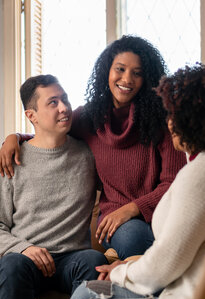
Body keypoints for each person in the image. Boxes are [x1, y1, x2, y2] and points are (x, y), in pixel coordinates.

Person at [55, 64, 205, 299]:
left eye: (173, 113)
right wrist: (132, 263)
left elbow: (166, 264)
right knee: (86, 291)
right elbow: (196, 248)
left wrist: (119, 273)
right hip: (190, 292)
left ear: (193, 118)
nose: (169, 121)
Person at [0, 35, 186, 260]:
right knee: (133, 237)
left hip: (162, 214)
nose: (127, 79)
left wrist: (132, 208)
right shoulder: (90, 117)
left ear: (147, 78)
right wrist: (15, 137)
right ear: (107, 70)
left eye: (137, 73)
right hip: (118, 225)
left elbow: (174, 182)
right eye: (120, 69)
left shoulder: (161, 120)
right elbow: (50, 130)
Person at [0, 74, 108, 299]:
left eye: (65, 99)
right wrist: (23, 248)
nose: (64, 108)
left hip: (73, 259)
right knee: (11, 266)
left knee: (95, 262)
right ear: (32, 116)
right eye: (53, 102)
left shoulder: (88, 155)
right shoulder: (11, 161)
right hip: (27, 258)